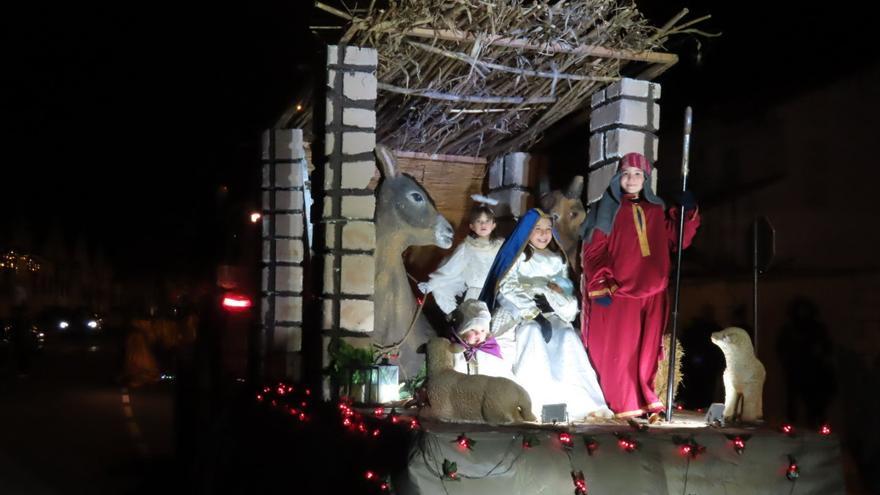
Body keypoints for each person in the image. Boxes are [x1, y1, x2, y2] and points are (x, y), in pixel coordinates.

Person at [581, 152, 700, 418]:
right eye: (626, 174)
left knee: (645, 352)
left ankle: (644, 401)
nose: (631, 179)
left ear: (645, 178)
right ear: (618, 178)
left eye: (637, 174)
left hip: (654, 292)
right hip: (617, 293)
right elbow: (593, 250)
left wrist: (686, 212)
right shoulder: (605, 209)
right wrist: (601, 282)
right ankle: (619, 404)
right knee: (618, 352)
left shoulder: (656, 209)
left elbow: (677, 240)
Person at [480, 208, 612, 421]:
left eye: (548, 229)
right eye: (537, 229)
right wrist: (534, 313)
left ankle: (582, 404)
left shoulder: (556, 259)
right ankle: (536, 403)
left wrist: (555, 305)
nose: (543, 234)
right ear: (526, 231)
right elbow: (506, 286)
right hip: (523, 313)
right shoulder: (518, 256)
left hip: (552, 311)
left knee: (568, 337)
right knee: (532, 335)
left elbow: (566, 290)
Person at [418, 200, 503, 316]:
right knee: (475, 321)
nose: (483, 224)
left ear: (493, 225)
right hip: (475, 293)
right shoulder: (466, 247)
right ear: (472, 226)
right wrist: (431, 284)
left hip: (498, 291)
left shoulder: (501, 246)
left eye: (487, 221)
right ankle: (455, 318)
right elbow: (450, 268)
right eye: (479, 221)